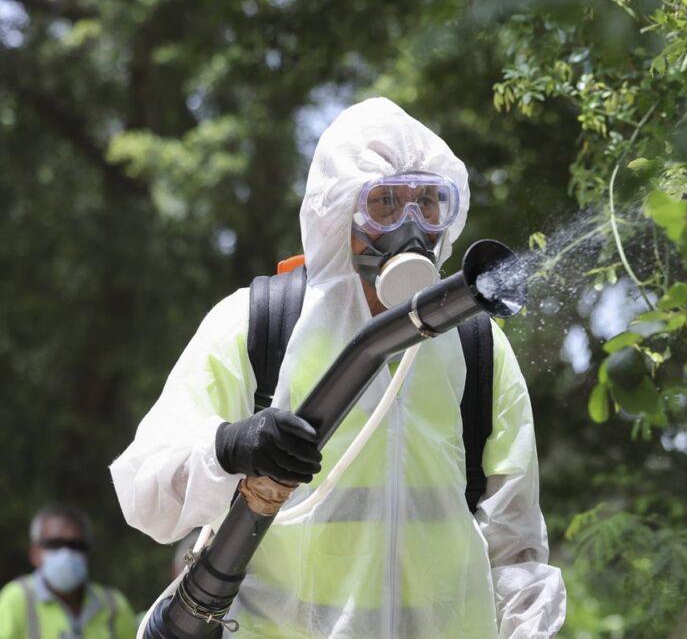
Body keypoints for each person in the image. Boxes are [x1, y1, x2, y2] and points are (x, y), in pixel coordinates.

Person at [110, 97, 566, 638]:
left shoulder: (473, 340)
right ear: (337, 212)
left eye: (428, 202)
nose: (411, 226)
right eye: (386, 205)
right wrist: (229, 445)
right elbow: (145, 491)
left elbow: (516, 545)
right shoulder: (260, 322)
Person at [0, 504, 137, 638]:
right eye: (55, 544)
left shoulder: (114, 604)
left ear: (87, 554)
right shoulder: (15, 600)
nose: (66, 553)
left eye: (76, 545)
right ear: (34, 554)